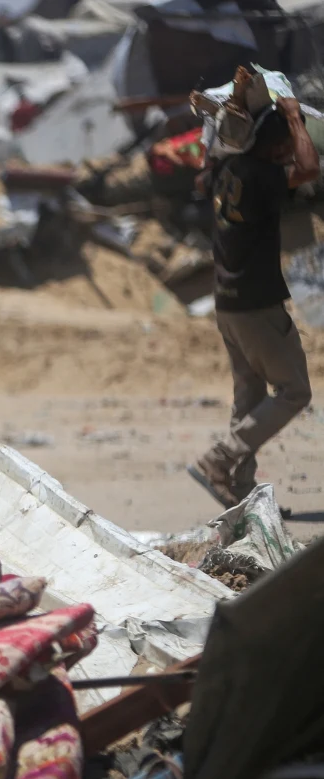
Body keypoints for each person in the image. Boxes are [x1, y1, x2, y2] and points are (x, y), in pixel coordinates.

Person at [189, 99, 317, 508]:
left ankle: (240, 491)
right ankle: (219, 458)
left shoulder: (227, 169)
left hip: (226, 302)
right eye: (283, 143)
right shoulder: (262, 174)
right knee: (295, 391)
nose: (287, 150)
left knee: (249, 395)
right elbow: (310, 167)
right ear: (270, 142)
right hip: (257, 304)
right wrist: (296, 118)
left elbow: (199, 180)